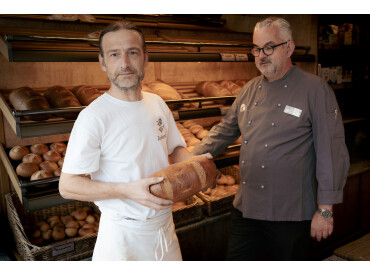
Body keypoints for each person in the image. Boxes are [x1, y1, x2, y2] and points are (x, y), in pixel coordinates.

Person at [192, 17, 350, 260]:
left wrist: (325, 211)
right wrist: (190, 156)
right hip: (246, 207)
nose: (261, 55)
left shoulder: (314, 89)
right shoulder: (249, 89)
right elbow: (225, 130)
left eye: (269, 47)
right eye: (256, 49)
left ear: (289, 48)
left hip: (290, 213)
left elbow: (331, 152)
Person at [59, 20, 198, 261]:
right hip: (122, 237)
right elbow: (68, 185)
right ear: (102, 62)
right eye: (114, 54)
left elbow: (175, 149)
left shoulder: (157, 103)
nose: (124, 63)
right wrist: (127, 190)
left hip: (164, 227)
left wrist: (196, 164)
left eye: (132, 53)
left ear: (145, 58)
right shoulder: (93, 116)